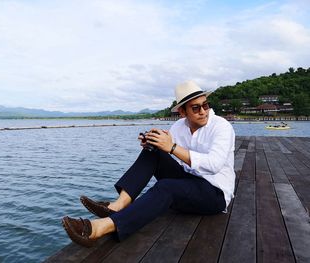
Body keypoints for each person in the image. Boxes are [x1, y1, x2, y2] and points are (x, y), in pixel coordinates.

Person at [61, 80, 236, 247]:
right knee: (153, 150)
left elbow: (214, 164)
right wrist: (153, 142)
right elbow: (167, 149)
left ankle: (100, 227)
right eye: (196, 108)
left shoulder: (221, 126)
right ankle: (118, 205)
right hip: (190, 182)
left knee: (167, 187)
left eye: (205, 105)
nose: (203, 111)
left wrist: (172, 147)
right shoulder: (179, 126)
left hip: (214, 194)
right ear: (182, 112)